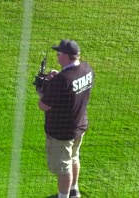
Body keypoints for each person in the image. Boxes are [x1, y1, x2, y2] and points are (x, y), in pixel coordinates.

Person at [37, 39, 94, 198]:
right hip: (79, 125)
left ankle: (63, 196)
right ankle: (74, 191)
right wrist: (59, 75)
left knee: (63, 167)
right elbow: (72, 91)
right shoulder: (87, 69)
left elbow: (43, 105)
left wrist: (43, 91)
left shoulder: (62, 81)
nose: (57, 56)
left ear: (67, 56)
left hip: (61, 132)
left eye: (59, 54)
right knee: (74, 157)